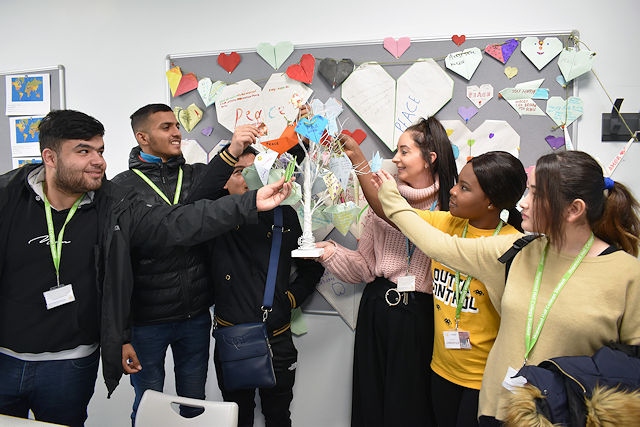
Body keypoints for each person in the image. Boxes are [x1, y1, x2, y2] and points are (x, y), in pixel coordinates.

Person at [0, 109, 291, 427]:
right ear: (50, 157)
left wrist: (249, 202)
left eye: (100, 150)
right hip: (6, 358)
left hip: (72, 362)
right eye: (83, 151)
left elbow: (176, 221)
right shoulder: (8, 197)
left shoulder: (111, 203)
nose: (98, 161)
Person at [375, 150, 640, 426]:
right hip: (497, 411)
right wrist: (391, 197)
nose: (523, 203)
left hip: (563, 417)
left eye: (536, 195)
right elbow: (439, 246)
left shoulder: (626, 275)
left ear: (574, 209)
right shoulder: (515, 251)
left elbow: (632, 371)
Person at [111, 103, 262, 424]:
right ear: (143, 137)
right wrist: (122, 334)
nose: (177, 132)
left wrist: (237, 148)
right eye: (165, 127)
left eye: (176, 125)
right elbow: (116, 266)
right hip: (146, 320)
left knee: (195, 404)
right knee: (149, 402)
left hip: (194, 315)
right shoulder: (121, 187)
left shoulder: (194, 175)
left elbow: (215, 193)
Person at [315, 117, 459, 427]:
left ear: (430, 158)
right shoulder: (381, 202)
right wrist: (330, 253)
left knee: (413, 408)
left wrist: (358, 158)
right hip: (378, 311)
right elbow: (365, 267)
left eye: (404, 152)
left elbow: (406, 222)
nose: (396, 159)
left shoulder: (452, 209)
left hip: (424, 318)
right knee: (372, 404)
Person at [210, 146, 325, 427]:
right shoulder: (211, 216)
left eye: (255, 171)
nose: (249, 179)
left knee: (278, 416)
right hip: (231, 336)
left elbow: (312, 268)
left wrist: (289, 299)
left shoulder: (284, 217)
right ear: (223, 180)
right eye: (239, 172)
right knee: (237, 417)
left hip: (277, 338)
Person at [413, 151, 526, 427]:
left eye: (464, 188)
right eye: (456, 183)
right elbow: (396, 215)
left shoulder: (513, 246)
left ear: (490, 202)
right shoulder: (448, 223)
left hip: (484, 379)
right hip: (441, 369)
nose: (451, 191)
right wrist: (361, 164)